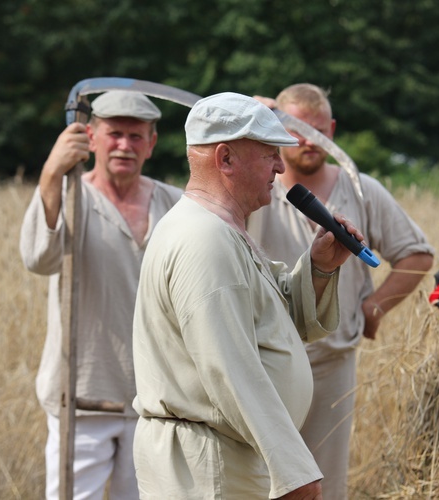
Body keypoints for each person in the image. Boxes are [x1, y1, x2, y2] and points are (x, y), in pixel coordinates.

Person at [131, 92, 366, 499]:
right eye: (269, 154)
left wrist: (320, 265)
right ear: (225, 159)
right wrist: (293, 470)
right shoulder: (204, 239)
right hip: (210, 470)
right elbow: (230, 367)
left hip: (224, 458)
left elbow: (272, 318)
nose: (280, 166)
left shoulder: (220, 229)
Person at [248, 83, 435, 499]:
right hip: (262, 360)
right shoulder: (255, 186)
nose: (307, 140)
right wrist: (248, 119)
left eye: (316, 130)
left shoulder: (360, 187)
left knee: (323, 483)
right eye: (294, 129)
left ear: (331, 129)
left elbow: (417, 255)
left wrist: (375, 307)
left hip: (332, 364)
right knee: (259, 482)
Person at [19, 90, 182, 499]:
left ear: (152, 143)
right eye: (114, 134)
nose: (124, 145)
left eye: (136, 136)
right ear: (90, 137)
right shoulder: (72, 196)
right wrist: (51, 173)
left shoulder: (173, 204)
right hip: (82, 396)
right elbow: (39, 258)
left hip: (156, 404)